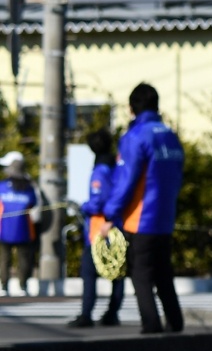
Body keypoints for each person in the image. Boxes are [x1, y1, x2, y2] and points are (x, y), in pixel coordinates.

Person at [99, 84, 186, 335]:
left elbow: (125, 181)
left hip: (140, 219)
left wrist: (110, 215)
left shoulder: (135, 137)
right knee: (163, 272)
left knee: (140, 274)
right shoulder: (170, 135)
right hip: (165, 217)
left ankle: (151, 325)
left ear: (131, 108)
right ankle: (175, 322)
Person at [68, 129, 126, 327]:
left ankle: (86, 314)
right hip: (118, 227)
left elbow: (97, 201)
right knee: (117, 273)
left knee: (89, 274)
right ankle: (112, 313)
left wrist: (83, 206)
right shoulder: (118, 167)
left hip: (98, 231)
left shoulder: (100, 171)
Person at [0, 151, 43, 297]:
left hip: (3, 230)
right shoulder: (30, 188)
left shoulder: (3, 186)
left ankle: (4, 285)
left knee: (4, 259)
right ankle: (22, 286)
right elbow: (37, 209)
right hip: (24, 230)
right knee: (24, 259)